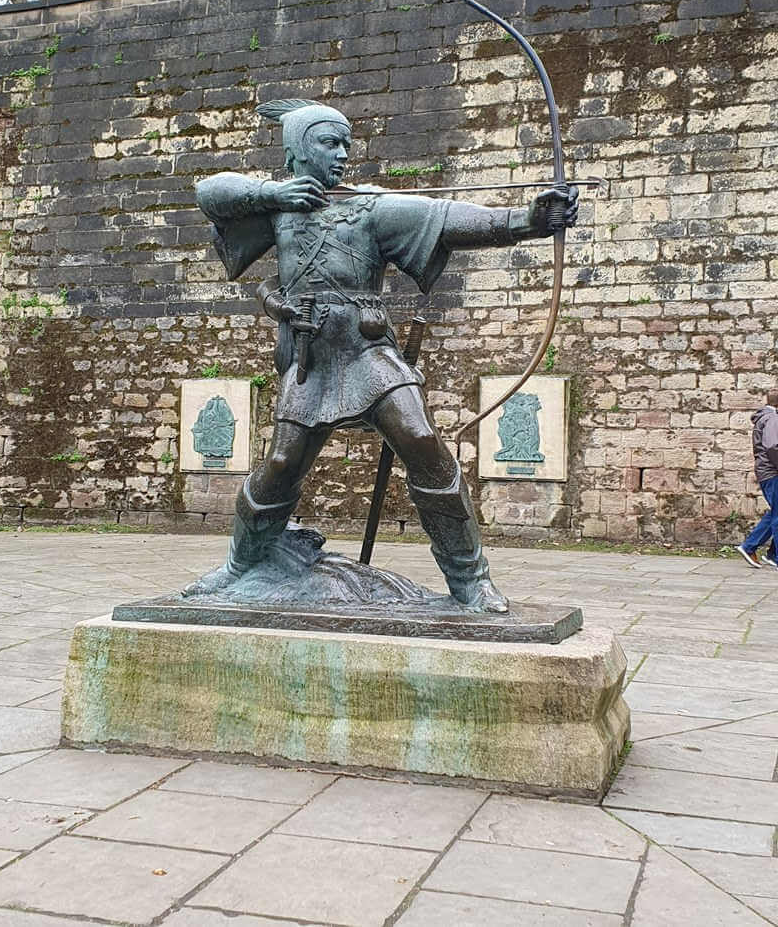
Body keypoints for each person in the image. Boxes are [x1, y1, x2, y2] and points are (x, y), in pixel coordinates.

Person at [190, 98, 578, 612]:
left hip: (367, 349)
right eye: (329, 143)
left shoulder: (369, 205)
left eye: (346, 143)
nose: (342, 154)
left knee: (420, 439)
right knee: (282, 462)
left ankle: (471, 581)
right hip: (309, 354)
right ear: (298, 151)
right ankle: (240, 566)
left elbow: (448, 219)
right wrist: (273, 193)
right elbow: (208, 191)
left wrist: (527, 219)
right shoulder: (279, 207)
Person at [737, 389, 778, 569]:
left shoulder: (766, 417)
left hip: (767, 471)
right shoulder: (773, 418)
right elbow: (773, 446)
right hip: (772, 472)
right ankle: (752, 547)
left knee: (775, 512)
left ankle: (767, 553)